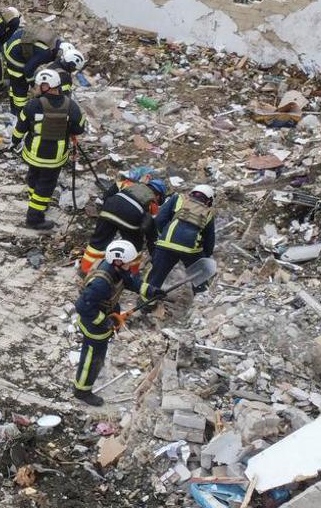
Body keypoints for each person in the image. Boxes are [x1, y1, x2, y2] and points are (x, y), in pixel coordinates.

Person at [11, 68, 86, 229]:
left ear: (46, 86)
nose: (36, 88)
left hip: (33, 153)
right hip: (54, 157)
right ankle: (35, 218)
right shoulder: (71, 106)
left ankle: (36, 207)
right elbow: (79, 128)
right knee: (45, 186)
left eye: (39, 85)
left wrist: (14, 141)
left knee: (33, 177)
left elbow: (20, 127)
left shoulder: (33, 105)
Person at [72, 241, 142, 406]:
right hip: (94, 327)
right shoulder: (101, 284)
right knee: (90, 359)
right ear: (118, 262)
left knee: (97, 356)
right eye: (129, 262)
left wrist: (149, 290)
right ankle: (81, 391)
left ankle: (86, 383)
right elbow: (82, 306)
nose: (131, 265)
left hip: (104, 317)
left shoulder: (115, 268)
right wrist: (104, 321)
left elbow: (130, 282)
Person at [139, 184, 218, 306]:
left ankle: (146, 304)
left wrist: (164, 234)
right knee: (199, 274)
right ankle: (201, 301)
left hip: (166, 244)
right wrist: (205, 257)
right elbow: (209, 240)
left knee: (155, 276)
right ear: (208, 200)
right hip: (190, 250)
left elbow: (160, 219)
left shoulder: (178, 199)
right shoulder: (208, 213)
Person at [80, 169, 168, 274]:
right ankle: (131, 274)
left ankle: (86, 269)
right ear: (158, 195)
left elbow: (110, 191)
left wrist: (108, 205)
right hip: (130, 218)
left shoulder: (129, 184)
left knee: (98, 241)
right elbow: (151, 232)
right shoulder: (152, 203)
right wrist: (154, 253)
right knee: (135, 246)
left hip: (109, 209)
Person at [2, 24, 57, 116]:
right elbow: (28, 70)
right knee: (20, 86)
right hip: (14, 56)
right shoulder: (46, 53)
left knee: (14, 84)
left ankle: (13, 109)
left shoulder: (52, 42)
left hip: (10, 46)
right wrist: (34, 85)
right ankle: (20, 113)